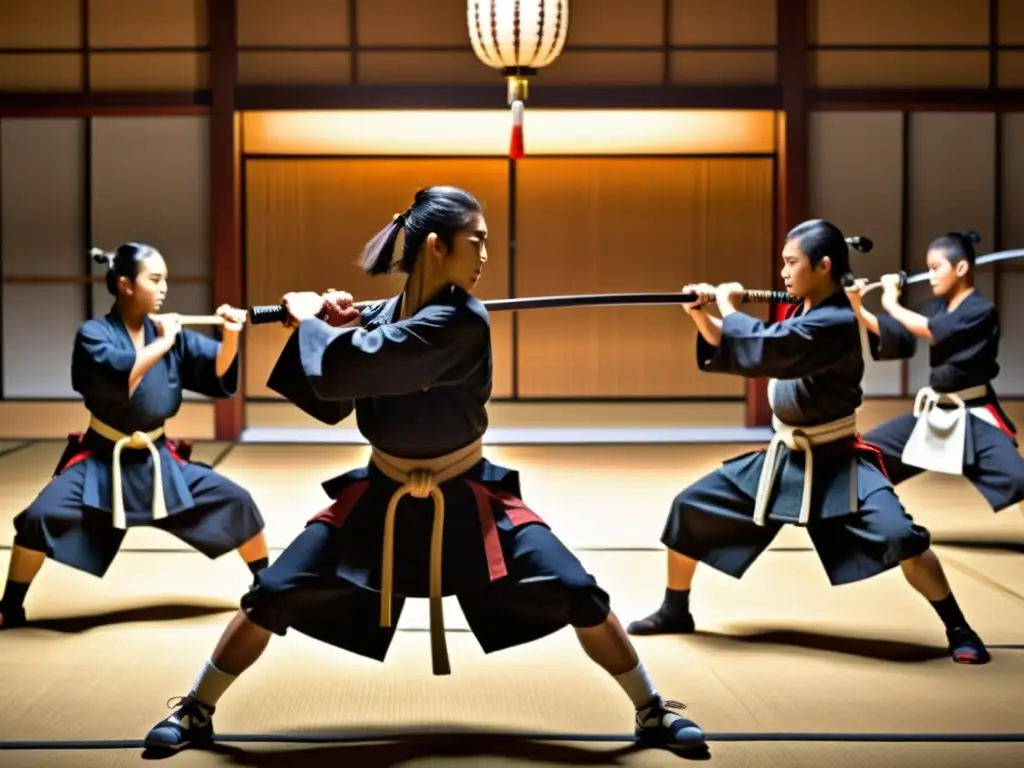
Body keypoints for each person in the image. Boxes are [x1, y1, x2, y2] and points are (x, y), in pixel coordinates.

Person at [142, 186, 705, 755]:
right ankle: (196, 710)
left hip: (469, 496)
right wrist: (328, 327)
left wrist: (316, 325)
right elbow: (334, 397)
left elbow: (360, 364)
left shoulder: (462, 322)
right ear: (436, 246)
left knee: (577, 589)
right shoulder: (385, 317)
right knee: (274, 591)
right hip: (380, 493)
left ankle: (651, 711)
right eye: (476, 243)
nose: (485, 257)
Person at [626, 220, 990, 665]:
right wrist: (701, 313)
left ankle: (959, 626)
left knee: (903, 537)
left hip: (837, 459)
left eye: (791, 262)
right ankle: (674, 609)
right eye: (782, 263)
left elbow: (763, 347)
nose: (783, 272)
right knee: (690, 507)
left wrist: (729, 304)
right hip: (785, 457)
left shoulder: (836, 320)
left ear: (823, 265)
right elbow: (751, 343)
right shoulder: (805, 313)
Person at [0, 244, 269, 630]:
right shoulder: (95, 334)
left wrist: (229, 338)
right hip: (102, 459)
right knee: (39, 517)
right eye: (154, 279)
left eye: (165, 281)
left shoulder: (166, 333)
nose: (163, 289)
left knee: (236, 501)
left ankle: (267, 586)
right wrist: (163, 342)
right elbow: (121, 378)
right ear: (125, 284)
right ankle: (11, 606)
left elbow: (215, 371)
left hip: (158, 460)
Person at [848, 231, 1024, 531]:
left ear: (961, 268)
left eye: (935, 267)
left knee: (1017, 478)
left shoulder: (981, 311)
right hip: (935, 412)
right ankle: (855, 524)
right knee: (865, 455)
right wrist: (857, 306)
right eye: (927, 268)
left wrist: (891, 302)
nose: (929, 276)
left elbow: (931, 330)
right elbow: (899, 333)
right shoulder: (936, 308)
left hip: (974, 414)